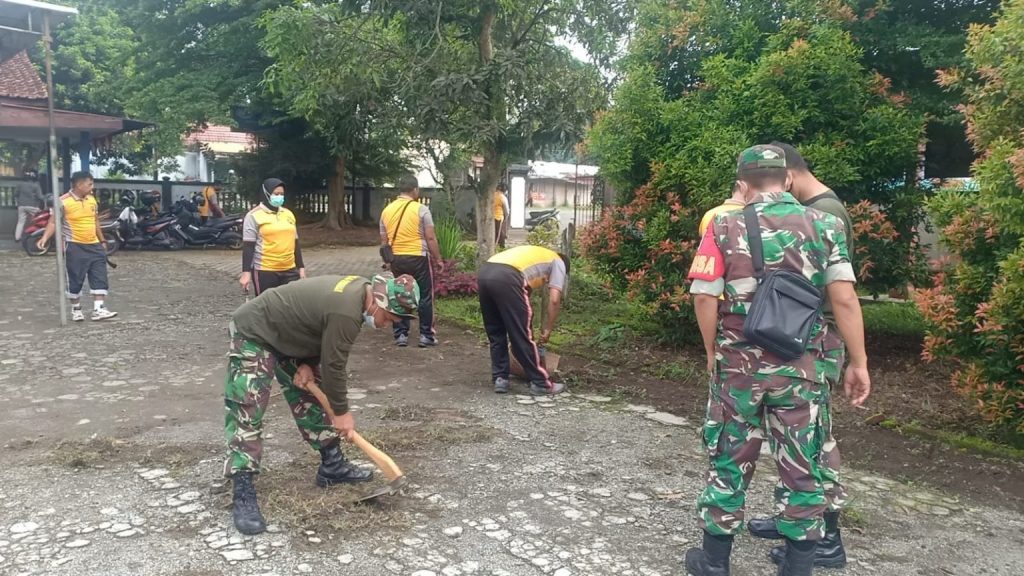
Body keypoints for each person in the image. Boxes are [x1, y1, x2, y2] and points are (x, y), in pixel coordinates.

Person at [684, 145, 870, 576]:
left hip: (738, 371)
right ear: (787, 180)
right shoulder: (826, 224)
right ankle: (798, 566)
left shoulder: (722, 225)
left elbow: (703, 296)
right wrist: (858, 361)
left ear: (743, 184)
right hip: (802, 369)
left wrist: (713, 351)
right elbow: (843, 298)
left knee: (730, 456)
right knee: (803, 463)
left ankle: (713, 562)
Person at [225, 272, 420, 535]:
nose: (386, 326)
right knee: (248, 408)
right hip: (256, 331)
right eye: (389, 319)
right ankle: (243, 489)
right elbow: (334, 366)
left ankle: (332, 465)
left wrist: (306, 362)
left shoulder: (359, 296)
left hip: (289, 335)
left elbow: (318, 329)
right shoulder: (347, 312)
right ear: (378, 302)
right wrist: (341, 413)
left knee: (308, 394)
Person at [743, 142, 855, 569]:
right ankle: (794, 517)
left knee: (814, 439)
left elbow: (839, 293)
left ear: (786, 175)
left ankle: (826, 536)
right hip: (801, 337)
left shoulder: (828, 214)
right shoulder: (817, 210)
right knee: (794, 438)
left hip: (813, 340)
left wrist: (855, 360)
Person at [478, 244, 569, 396]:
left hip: (485, 273)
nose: (547, 282)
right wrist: (548, 329)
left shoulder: (537, 256)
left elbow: (524, 296)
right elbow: (554, 300)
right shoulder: (558, 262)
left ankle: (500, 378)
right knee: (522, 335)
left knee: (496, 331)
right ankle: (541, 383)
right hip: (508, 276)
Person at [37, 171, 117, 322]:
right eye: (89, 184)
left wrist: (102, 240)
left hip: (94, 245)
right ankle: (76, 309)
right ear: (79, 185)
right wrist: (44, 238)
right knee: (75, 278)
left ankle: (99, 308)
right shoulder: (63, 201)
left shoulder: (92, 199)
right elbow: (53, 222)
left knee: (99, 275)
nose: (92, 188)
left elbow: (95, 221)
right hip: (74, 246)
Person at [378, 173, 443, 348]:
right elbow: (430, 238)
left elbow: (384, 242)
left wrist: (387, 261)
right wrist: (438, 259)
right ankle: (426, 335)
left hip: (397, 259)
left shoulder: (386, 211)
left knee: (399, 294)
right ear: (415, 190)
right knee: (425, 296)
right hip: (418, 258)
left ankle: (401, 335)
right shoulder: (421, 209)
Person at [239, 179, 306, 296]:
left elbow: (295, 242)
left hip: (290, 269)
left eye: (282, 194)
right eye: (276, 194)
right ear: (266, 194)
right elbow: (248, 246)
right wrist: (246, 273)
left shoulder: (288, 214)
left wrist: (301, 268)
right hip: (265, 271)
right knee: (267, 308)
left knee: (290, 307)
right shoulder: (253, 216)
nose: (279, 197)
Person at [14, 168, 45, 242]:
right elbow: (40, 197)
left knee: (20, 222)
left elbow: (15, 194)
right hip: (32, 206)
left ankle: (17, 237)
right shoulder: (36, 185)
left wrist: (18, 202)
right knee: (40, 217)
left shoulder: (20, 184)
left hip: (21, 206)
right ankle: (39, 233)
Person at [494, 182, 510, 249]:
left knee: (494, 233)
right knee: (501, 234)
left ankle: (494, 246)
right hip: (498, 218)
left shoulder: (492, 195)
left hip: (491, 218)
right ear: (505, 190)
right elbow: (506, 211)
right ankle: (501, 248)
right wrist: (506, 217)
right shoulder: (502, 197)